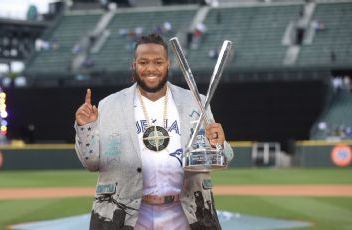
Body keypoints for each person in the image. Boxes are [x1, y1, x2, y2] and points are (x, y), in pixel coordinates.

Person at [74, 33, 234, 230]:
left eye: (158, 62)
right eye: (143, 62)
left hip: (186, 213)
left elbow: (224, 158)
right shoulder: (109, 105)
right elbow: (91, 163)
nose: (151, 68)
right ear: (134, 65)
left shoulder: (195, 101)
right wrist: (85, 128)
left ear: (168, 64)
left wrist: (218, 144)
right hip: (127, 215)